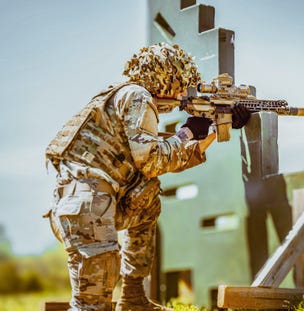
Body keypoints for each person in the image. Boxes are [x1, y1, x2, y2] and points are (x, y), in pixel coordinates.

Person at [44, 43, 250, 311]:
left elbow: (153, 162)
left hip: (92, 204)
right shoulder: (137, 96)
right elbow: (152, 160)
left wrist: (210, 129)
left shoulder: (120, 94)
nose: (180, 94)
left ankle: (133, 297)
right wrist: (187, 133)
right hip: (87, 207)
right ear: (164, 77)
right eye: (178, 84)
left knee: (147, 195)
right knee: (91, 306)